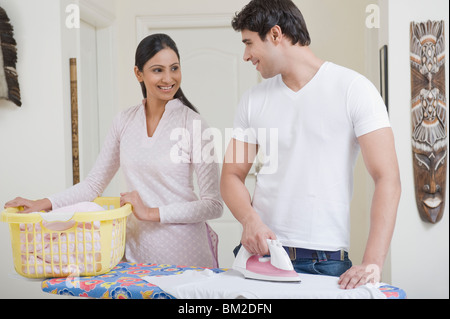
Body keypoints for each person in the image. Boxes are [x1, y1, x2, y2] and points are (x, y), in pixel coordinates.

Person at [221, 0, 401, 289]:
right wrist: (249, 221)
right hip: (263, 258)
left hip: (325, 261)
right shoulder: (253, 100)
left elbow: (388, 178)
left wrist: (372, 262)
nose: (245, 55)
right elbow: (231, 175)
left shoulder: (354, 90)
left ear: (276, 35)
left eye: (249, 43)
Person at [5, 33, 223, 268]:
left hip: (185, 254)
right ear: (138, 73)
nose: (168, 78)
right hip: (136, 252)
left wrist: (151, 213)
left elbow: (213, 204)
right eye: (157, 70)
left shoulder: (194, 124)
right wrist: (44, 203)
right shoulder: (124, 121)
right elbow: (93, 185)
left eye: (174, 68)